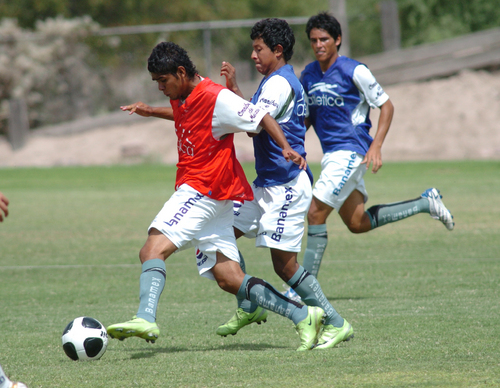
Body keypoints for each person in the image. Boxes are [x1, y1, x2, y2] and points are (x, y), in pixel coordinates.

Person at [107, 41, 326, 351]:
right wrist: (148, 111)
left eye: (162, 81)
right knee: (229, 277)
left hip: (203, 190)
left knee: (151, 249)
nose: (159, 88)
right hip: (216, 197)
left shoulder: (216, 97)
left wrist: (286, 147)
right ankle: (303, 315)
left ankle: (145, 317)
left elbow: (261, 116)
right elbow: (184, 115)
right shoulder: (183, 95)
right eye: (155, 82)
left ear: (181, 73)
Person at [289, 12, 455, 290]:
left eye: (324, 39)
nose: (318, 44)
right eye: (314, 40)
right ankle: (426, 203)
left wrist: (376, 145)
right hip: (331, 155)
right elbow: (309, 117)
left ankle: (302, 291)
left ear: (338, 40)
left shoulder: (355, 70)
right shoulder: (308, 74)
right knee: (357, 222)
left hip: (351, 152)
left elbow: (386, 106)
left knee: (315, 214)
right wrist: (290, 144)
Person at [216, 18, 353, 350]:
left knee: (285, 265)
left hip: (286, 187)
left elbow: (256, 124)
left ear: (277, 50)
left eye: (258, 48)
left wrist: (225, 102)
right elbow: (254, 122)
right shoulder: (275, 81)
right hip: (265, 185)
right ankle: (249, 305)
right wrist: (235, 92)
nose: (253, 55)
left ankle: (336, 322)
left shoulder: (279, 84)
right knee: (219, 233)